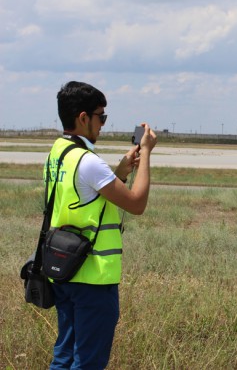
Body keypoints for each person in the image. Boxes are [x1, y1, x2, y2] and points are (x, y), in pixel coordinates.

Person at [47, 81, 157, 369]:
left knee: (65, 355)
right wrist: (146, 154)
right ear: (83, 118)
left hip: (63, 269)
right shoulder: (89, 162)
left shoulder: (57, 154)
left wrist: (119, 172)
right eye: (101, 117)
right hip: (93, 276)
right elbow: (137, 204)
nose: (103, 125)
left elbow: (85, 201)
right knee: (88, 361)